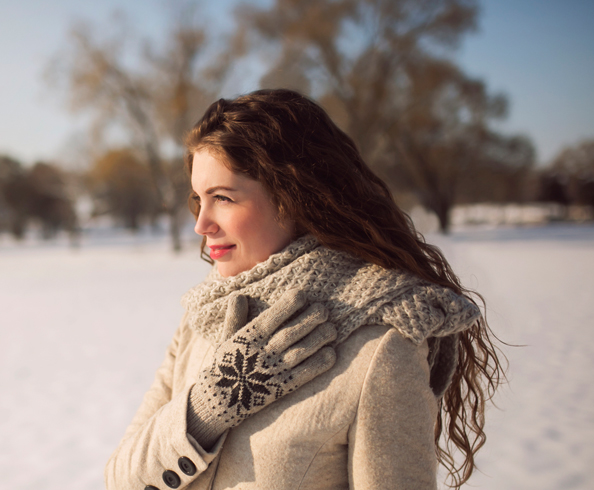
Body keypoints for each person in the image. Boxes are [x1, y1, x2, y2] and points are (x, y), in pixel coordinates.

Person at [105, 89, 504, 490]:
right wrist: (206, 409)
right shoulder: (200, 321)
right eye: (198, 199)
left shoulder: (381, 344)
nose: (201, 224)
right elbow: (120, 479)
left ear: (292, 198)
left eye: (223, 198)